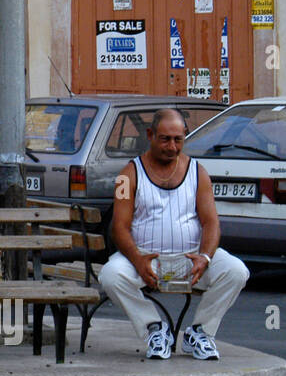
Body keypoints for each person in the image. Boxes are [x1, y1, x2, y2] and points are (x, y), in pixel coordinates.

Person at [102, 108, 248, 360]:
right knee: (110, 276)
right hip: (145, 261)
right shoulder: (128, 175)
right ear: (150, 135)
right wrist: (137, 260)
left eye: (178, 139)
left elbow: (211, 223)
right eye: (165, 139)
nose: (172, 146)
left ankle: (200, 332)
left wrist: (205, 257)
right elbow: (119, 227)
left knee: (236, 271)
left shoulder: (198, 172)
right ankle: (154, 329)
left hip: (190, 261)